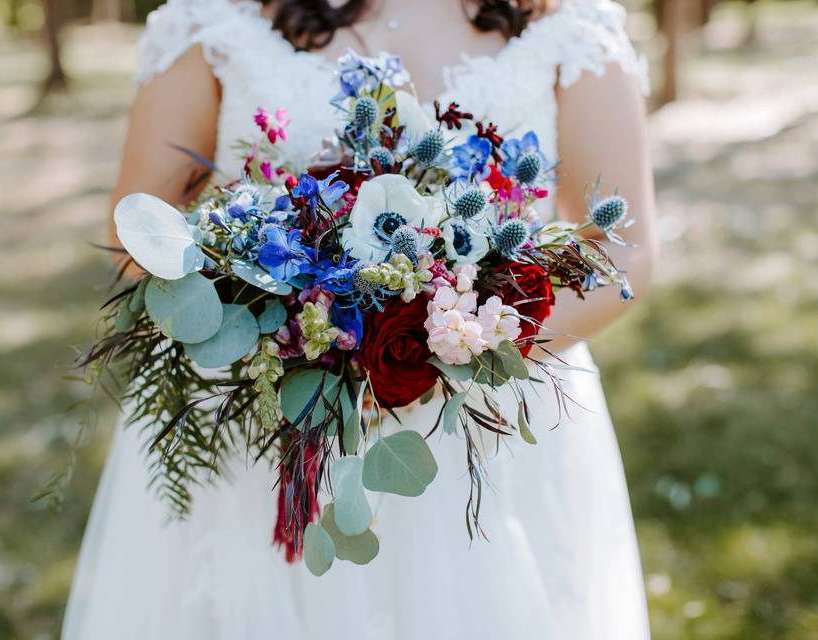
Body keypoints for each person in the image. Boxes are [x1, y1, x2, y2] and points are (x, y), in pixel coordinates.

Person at [63, 1, 659, 637]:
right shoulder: (213, 17)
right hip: (271, 417)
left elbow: (624, 252)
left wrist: (458, 347)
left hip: (488, 424)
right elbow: (137, 239)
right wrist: (289, 325)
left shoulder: (566, 22)